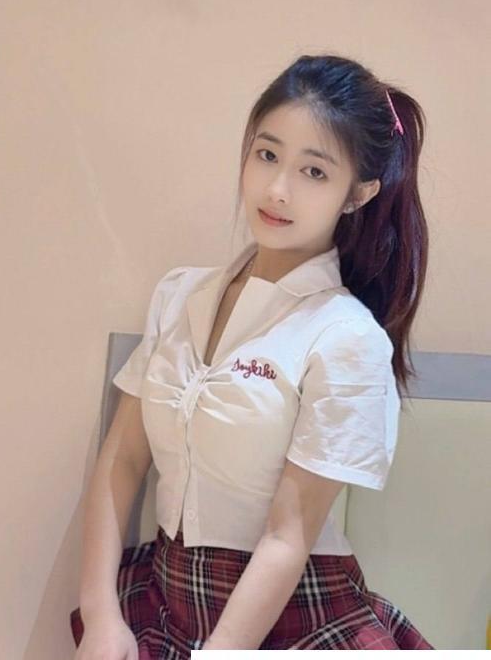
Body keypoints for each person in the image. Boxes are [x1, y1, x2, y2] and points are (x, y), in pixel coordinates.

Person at [70, 54, 435, 656]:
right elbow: (124, 459)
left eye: (314, 171)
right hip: (164, 600)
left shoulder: (346, 337)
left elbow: (288, 536)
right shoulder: (180, 295)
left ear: (357, 194)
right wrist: (100, 612)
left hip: (292, 618)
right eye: (267, 154)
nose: (277, 189)